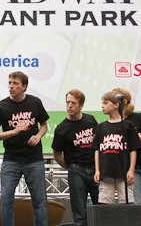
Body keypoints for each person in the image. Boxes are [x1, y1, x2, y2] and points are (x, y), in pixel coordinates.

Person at [0, 71, 49, 226]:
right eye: (9, 83)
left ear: (24, 87)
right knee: (6, 200)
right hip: (11, 160)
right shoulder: (1, 106)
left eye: (15, 83)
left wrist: (38, 136)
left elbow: (44, 125)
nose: (11, 86)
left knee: (40, 201)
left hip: (34, 159)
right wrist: (13, 132)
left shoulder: (35, 102)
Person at [52, 89, 99, 225]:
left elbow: (98, 144)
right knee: (79, 213)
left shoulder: (90, 120)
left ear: (81, 105)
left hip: (95, 168)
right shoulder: (61, 128)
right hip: (76, 170)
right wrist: (72, 167)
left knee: (101, 208)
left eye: (73, 103)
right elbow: (57, 155)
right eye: (67, 103)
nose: (69, 106)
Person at [93, 91, 141, 204]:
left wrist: (131, 170)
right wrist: (97, 170)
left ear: (116, 105)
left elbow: (133, 149)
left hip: (123, 172)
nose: (102, 106)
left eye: (106, 103)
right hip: (106, 171)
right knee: (105, 202)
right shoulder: (101, 127)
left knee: (127, 202)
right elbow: (97, 149)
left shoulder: (127, 126)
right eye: (102, 103)